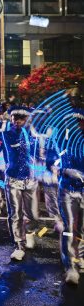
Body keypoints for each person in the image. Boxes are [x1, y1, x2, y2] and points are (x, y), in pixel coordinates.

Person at [0, 105, 39, 261]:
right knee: (15, 214)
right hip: (13, 178)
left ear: (27, 120)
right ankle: (18, 245)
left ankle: (30, 232)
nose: (18, 121)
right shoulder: (7, 135)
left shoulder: (34, 135)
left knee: (33, 214)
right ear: (11, 119)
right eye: (15, 118)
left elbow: (42, 152)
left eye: (22, 119)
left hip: (31, 179)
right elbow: (5, 151)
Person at [59, 109, 84, 285]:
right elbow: (51, 160)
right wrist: (65, 169)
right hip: (67, 190)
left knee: (81, 229)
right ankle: (70, 266)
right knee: (68, 227)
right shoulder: (62, 141)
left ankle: (79, 257)